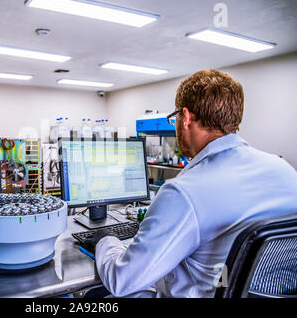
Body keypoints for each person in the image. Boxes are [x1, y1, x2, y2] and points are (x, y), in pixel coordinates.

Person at [87, 69, 297, 297]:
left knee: (96, 296)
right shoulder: (285, 171)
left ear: (185, 117)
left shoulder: (184, 192)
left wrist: (105, 241)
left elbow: (123, 280)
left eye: (175, 117)